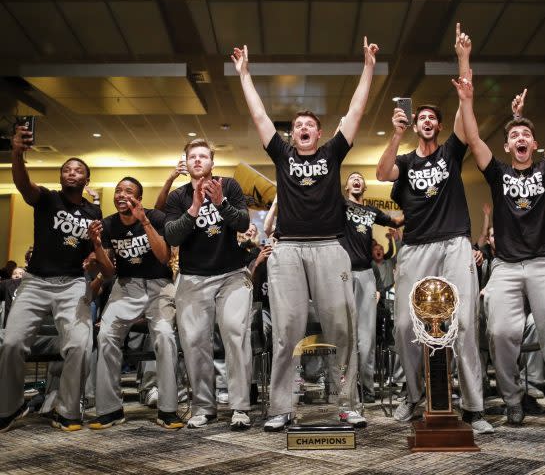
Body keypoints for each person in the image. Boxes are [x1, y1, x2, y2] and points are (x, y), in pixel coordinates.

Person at [232, 36, 378, 431]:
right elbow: (261, 116)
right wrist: (244, 74)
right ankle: (281, 407)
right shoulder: (281, 155)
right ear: (292, 135)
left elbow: (356, 111)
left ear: (319, 132)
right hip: (288, 251)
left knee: (341, 329)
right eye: (297, 126)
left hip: (331, 249)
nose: (303, 129)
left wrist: (367, 68)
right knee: (286, 331)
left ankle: (347, 403)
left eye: (309, 125)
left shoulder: (332, 154)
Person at [454, 47, 545, 435]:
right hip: (506, 267)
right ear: (509, 147)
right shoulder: (496, 172)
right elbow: (474, 136)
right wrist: (467, 99)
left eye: (526, 134)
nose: (520, 138)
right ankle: (512, 400)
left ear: (534, 143)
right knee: (499, 335)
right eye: (514, 135)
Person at [376, 24, 489, 434]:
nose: (426, 121)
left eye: (431, 118)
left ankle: (474, 406)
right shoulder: (405, 161)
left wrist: (463, 58)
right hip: (416, 247)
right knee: (408, 324)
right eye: (420, 117)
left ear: (438, 127)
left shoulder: (450, 153)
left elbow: (465, 104)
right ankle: (414, 397)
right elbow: (382, 170)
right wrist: (396, 131)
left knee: (464, 320)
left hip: (455, 243)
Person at [0, 124, 101, 433]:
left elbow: (97, 252)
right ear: (61, 177)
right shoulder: (46, 199)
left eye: (78, 170)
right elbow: (22, 184)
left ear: (86, 179)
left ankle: (68, 409)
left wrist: (95, 255)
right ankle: (10, 406)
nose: (72, 173)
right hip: (36, 282)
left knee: (80, 346)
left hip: (71, 283)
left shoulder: (93, 211)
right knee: (13, 343)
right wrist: (17, 153)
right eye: (66, 170)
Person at [164, 139, 253, 430]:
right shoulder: (178, 197)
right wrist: (194, 208)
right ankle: (204, 406)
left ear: (212, 163)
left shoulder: (229, 186)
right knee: (194, 342)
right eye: (193, 156)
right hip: (193, 277)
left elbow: (242, 223)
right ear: (186, 163)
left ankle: (240, 406)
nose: (198, 160)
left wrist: (220, 203)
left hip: (232, 274)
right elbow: (172, 237)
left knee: (235, 333)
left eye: (204, 156)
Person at [86, 177, 183, 430]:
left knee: (164, 334)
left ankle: (168, 408)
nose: (121, 195)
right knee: (106, 334)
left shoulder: (156, 218)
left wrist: (145, 221)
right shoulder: (108, 224)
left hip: (159, 285)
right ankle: (110, 409)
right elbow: (108, 272)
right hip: (126, 285)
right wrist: (97, 245)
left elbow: (163, 257)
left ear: (138, 198)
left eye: (128, 191)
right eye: (117, 190)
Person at [340, 172, 403, 403]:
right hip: (343, 275)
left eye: (360, 178)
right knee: (346, 336)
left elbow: (396, 222)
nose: (356, 179)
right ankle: (345, 388)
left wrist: (419, 207)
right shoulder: (341, 206)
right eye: (352, 177)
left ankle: (367, 387)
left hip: (366, 275)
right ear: (347, 186)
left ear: (364, 186)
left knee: (366, 337)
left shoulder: (371, 212)